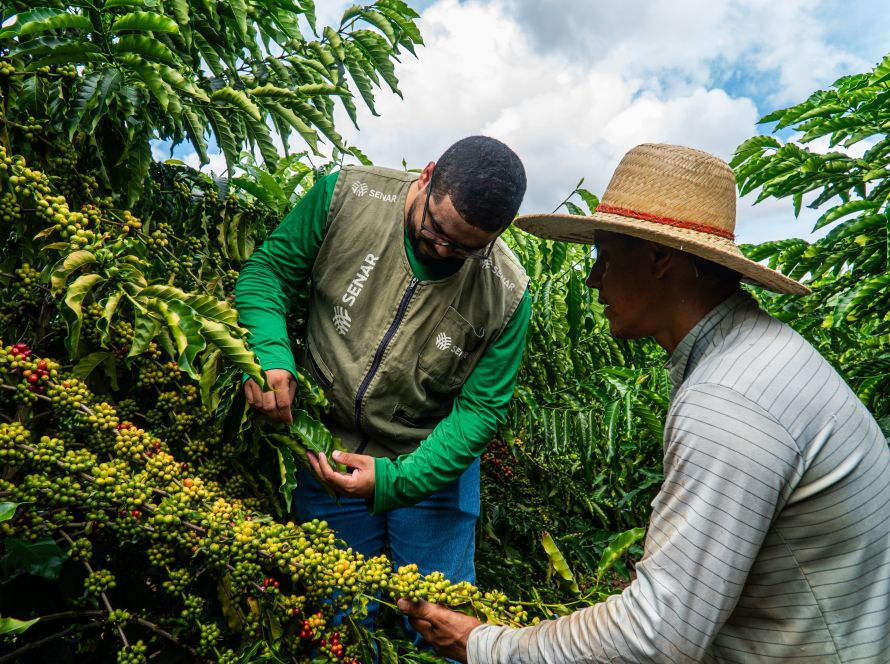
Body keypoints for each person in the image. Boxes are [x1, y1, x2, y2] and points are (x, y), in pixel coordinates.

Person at [399, 143, 890, 663]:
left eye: (605, 258)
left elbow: (657, 638)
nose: (592, 280)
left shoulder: (727, 403)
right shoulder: (758, 356)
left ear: (659, 259)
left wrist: (486, 645)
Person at [234, 136, 531, 611]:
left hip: (431, 464)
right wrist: (271, 355)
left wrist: (398, 481)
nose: (440, 247)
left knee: (438, 619)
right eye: (435, 227)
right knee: (338, 616)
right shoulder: (347, 197)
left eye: (463, 249)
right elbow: (268, 273)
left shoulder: (508, 294)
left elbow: (480, 411)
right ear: (427, 175)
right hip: (330, 448)